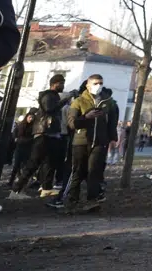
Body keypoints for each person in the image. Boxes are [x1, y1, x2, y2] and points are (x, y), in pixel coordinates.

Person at [59, 84, 118, 212]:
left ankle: (92, 200)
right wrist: (86, 117)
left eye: (100, 83)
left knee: (94, 171)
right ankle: (70, 200)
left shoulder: (109, 103)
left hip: (99, 142)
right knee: (77, 171)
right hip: (80, 141)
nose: (98, 86)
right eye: (95, 83)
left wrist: (113, 138)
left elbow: (112, 122)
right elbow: (72, 123)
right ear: (88, 86)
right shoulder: (79, 101)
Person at [12, 72, 69, 197]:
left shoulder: (54, 96)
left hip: (51, 133)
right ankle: (16, 189)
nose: (63, 86)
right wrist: (65, 100)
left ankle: (46, 188)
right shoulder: (48, 96)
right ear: (54, 84)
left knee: (50, 162)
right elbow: (49, 109)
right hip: (43, 133)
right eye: (61, 83)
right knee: (34, 162)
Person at [10, 111, 35, 186]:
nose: (31, 119)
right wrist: (15, 138)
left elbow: (33, 138)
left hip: (27, 148)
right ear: (27, 117)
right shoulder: (21, 125)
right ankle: (11, 181)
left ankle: (22, 182)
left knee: (25, 166)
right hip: (19, 147)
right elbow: (15, 132)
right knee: (16, 165)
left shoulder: (33, 127)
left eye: (32, 118)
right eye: (30, 117)